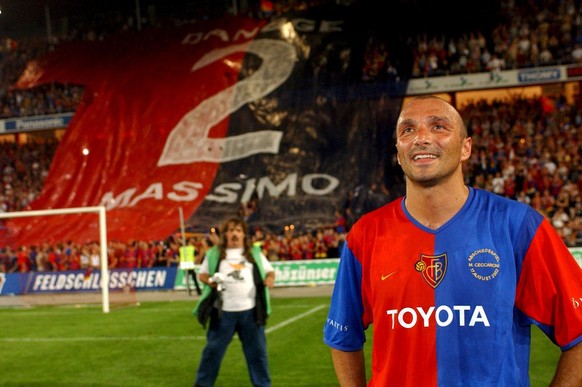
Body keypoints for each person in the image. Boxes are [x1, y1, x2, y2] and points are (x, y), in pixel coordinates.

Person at [323, 95, 582, 386]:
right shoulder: (365, 234)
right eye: (407, 130)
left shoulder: (518, 226)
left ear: (465, 148)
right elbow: (343, 336)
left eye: (438, 126)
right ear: (398, 152)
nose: (421, 137)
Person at [193, 217, 276, 387]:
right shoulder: (215, 253)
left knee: (257, 354)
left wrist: (269, 280)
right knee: (212, 353)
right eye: (231, 230)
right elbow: (202, 274)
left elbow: (270, 272)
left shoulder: (253, 253)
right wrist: (210, 281)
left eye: (238, 230)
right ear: (225, 235)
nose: (235, 234)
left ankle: (263, 385)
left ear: (244, 234)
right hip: (223, 313)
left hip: (251, 313)